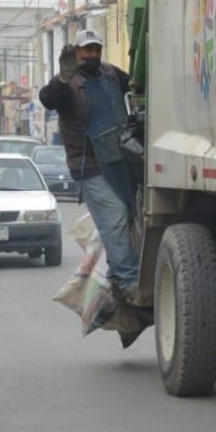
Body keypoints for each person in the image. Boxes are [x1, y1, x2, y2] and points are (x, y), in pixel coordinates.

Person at [39, 30, 139, 300]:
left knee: (131, 214)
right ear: (77, 53)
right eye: (87, 51)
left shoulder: (110, 74)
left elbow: (136, 85)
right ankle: (127, 280)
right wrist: (62, 77)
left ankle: (119, 272)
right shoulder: (67, 84)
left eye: (96, 50)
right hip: (89, 164)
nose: (92, 55)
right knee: (116, 215)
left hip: (119, 159)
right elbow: (47, 99)